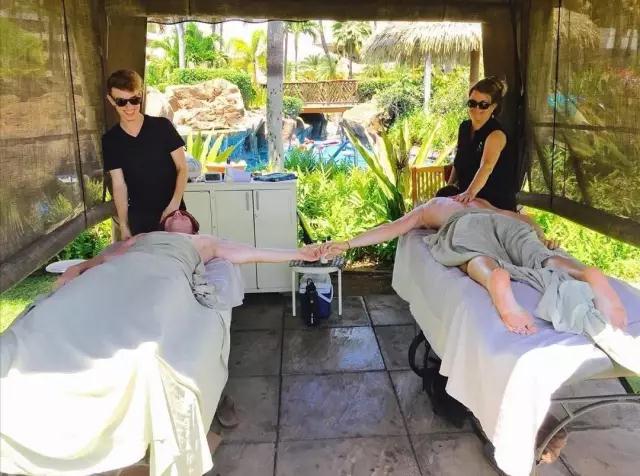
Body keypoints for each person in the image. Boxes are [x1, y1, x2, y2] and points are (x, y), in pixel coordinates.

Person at [321, 196, 629, 339]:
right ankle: (584, 273)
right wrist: (541, 237)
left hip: (466, 226)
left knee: (473, 256)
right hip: (507, 223)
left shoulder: (433, 207)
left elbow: (392, 228)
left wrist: (347, 244)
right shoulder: (481, 202)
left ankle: (493, 278)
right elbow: (523, 219)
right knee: (541, 257)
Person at [102, 69, 188, 239]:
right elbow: (119, 185)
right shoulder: (110, 140)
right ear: (111, 100)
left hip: (174, 217)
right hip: (139, 222)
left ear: (140, 95)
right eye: (121, 102)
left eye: (134, 100)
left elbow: (182, 168)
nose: (129, 107)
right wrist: (124, 225)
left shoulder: (163, 127)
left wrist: (174, 206)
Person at [446, 76, 519, 211]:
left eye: (483, 105)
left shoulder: (496, 134)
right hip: (465, 198)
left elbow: (486, 166)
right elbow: (458, 160)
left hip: (493, 202)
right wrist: (449, 188)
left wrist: (470, 193)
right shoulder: (464, 128)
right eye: (472, 103)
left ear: (493, 107)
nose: (477, 108)